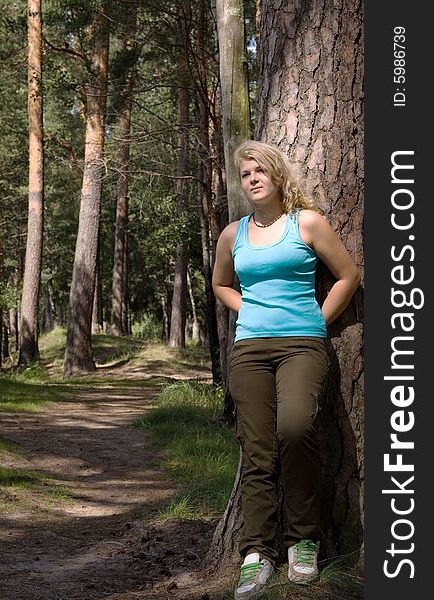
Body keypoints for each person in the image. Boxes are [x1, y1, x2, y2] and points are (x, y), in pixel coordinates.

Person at [212, 140, 360, 599]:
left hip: (302, 346)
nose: (253, 179)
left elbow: (348, 275)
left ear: (277, 175)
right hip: (249, 350)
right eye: (245, 174)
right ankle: (256, 553)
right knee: (257, 449)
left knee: (296, 431)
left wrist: (318, 318)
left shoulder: (306, 223)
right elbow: (220, 283)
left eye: (260, 171)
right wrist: (248, 307)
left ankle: (302, 542)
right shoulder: (232, 234)